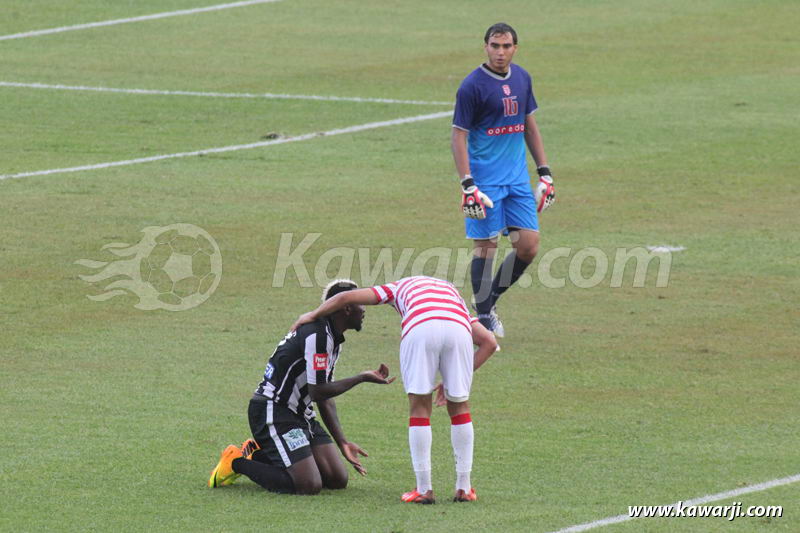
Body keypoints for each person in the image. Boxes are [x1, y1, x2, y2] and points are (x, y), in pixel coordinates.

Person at [292, 275, 498, 503]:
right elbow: (489, 342)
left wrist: (312, 315)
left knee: (420, 408)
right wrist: (453, 380)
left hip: (421, 329)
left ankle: (423, 490)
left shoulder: (398, 288)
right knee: (460, 407)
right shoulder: (452, 296)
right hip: (458, 330)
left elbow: (345, 297)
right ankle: (464, 488)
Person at [208, 279, 395, 494]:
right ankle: (237, 461)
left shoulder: (332, 337)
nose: (364, 309)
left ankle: (261, 453)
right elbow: (318, 391)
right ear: (346, 308)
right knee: (308, 484)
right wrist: (360, 378)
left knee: (336, 479)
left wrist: (342, 442)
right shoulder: (317, 335)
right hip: (274, 412)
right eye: (361, 303)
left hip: (300, 415)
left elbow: (323, 395)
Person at [452, 22, 557, 338]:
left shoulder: (522, 78)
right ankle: (484, 318)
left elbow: (529, 125)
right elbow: (459, 136)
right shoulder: (472, 86)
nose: (500, 52)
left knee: (528, 246)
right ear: (485, 46)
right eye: (495, 46)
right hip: (485, 183)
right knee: (486, 248)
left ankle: (487, 301)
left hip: (517, 180)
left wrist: (544, 171)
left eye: (506, 46)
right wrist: (467, 184)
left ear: (515, 48)